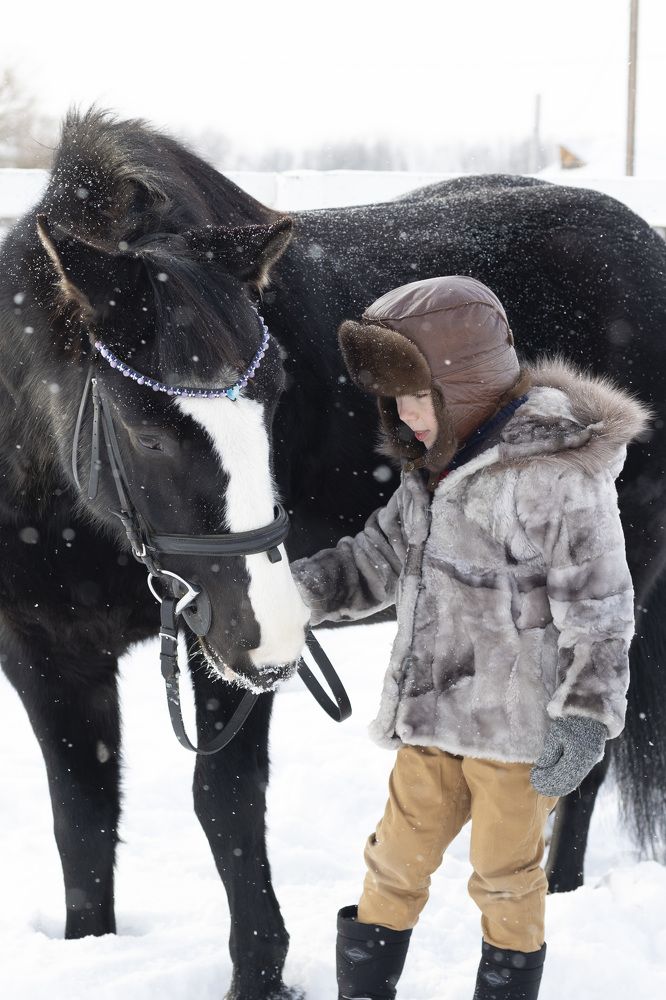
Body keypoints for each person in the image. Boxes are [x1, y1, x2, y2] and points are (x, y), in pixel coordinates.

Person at [290, 275, 648, 1000]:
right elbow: (373, 561)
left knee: (506, 880)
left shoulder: (558, 480)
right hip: (430, 724)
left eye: (415, 396)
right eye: (393, 400)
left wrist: (583, 718)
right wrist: (290, 596)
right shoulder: (433, 473)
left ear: (466, 382)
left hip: (517, 741)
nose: (403, 415)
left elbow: (601, 610)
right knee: (392, 864)